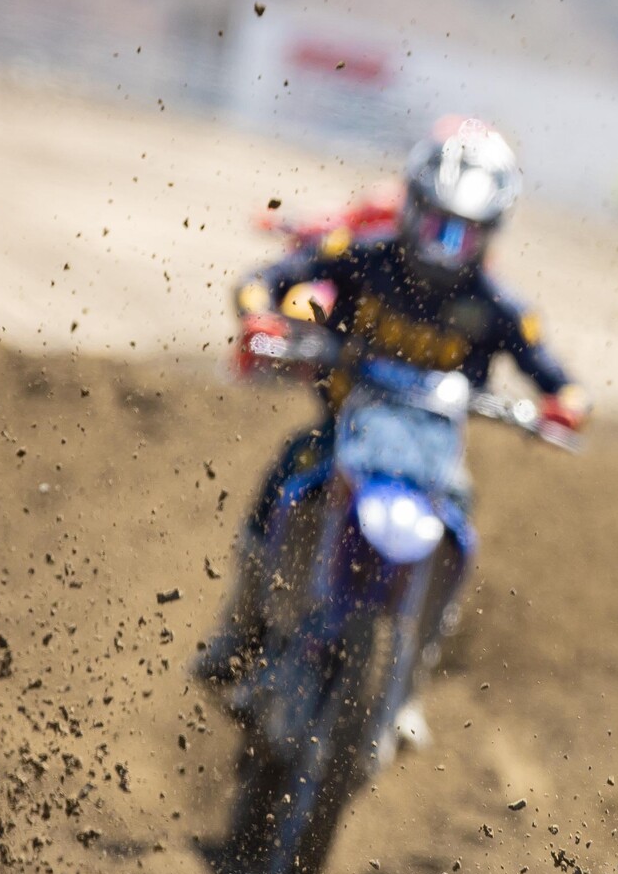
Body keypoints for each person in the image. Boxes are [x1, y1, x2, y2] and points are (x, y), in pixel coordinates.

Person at [194, 117, 591, 707]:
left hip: (430, 454)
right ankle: (242, 626)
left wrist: (565, 408)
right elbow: (266, 280)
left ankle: (408, 679)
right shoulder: (362, 258)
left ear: (489, 235)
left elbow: (561, 380)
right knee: (288, 473)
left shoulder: (497, 306)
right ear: (410, 206)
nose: (442, 246)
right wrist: (259, 316)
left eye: (462, 234)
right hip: (347, 429)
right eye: (434, 223)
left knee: (460, 522)